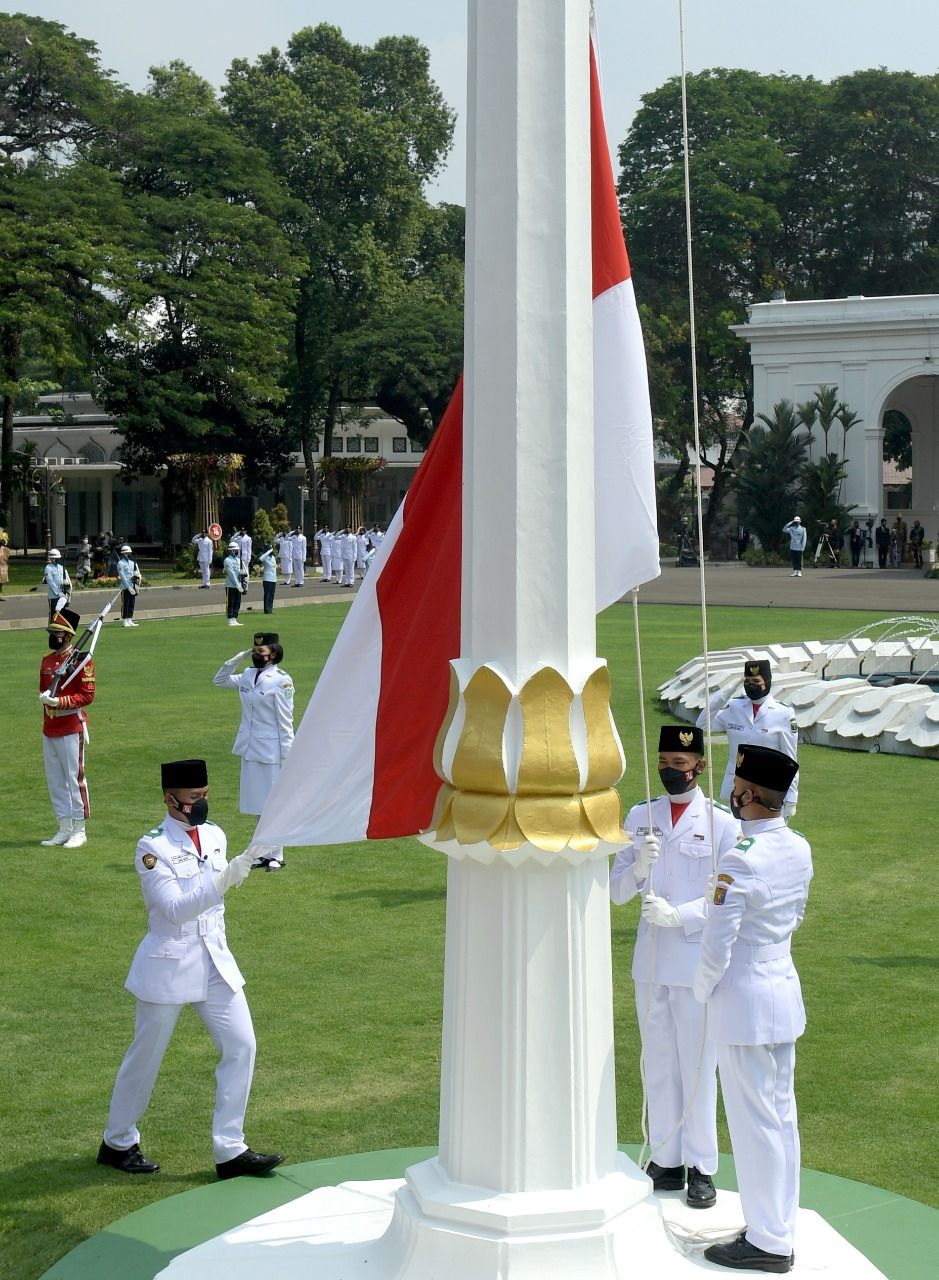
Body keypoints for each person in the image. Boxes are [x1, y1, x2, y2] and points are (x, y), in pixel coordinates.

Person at [97, 758, 284, 1180]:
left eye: (204, 795)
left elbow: (211, 906)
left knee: (243, 1045)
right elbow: (175, 909)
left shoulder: (215, 834)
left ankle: (230, 1150)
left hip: (215, 959)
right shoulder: (152, 848)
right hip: (168, 965)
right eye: (193, 797)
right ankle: (117, 1141)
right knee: (145, 1058)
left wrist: (240, 867)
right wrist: (225, 879)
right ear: (170, 799)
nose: (201, 803)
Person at [610, 725, 739, 1209]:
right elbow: (614, 890)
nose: (671, 770)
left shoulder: (721, 823)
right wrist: (637, 869)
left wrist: (681, 915)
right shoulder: (642, 816)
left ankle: (702, 1166)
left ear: (700, 766)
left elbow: (729, 901)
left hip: (694, 963)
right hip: (650, 962)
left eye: (680, 764)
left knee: (698, 1066)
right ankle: (666, 1158)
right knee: (659, 1062)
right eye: (665, 762)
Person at [694, 745, 811, 1275]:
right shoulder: (798, 848)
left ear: (748, 795)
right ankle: (775, 1224)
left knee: (755, 1124)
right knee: (780, 1120)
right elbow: (797, 914)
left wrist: (700, 990)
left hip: (742, 999)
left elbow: (717, 945)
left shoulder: (740, 858)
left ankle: (768, 1240)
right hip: (781, 989)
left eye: (738, 789)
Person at [213, 634, 295, 871]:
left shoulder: (281, 681)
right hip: (250, 748)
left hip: (271, 751)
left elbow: (285, 720)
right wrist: (235, 659)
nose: (257, 655)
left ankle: (277, 854)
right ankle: (262, 852)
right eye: (254, 651)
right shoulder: (248, 675)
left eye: (261, 652)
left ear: (274, 654)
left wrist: (288, 754)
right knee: (259, 804)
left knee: (272, 804)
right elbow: (219, 680)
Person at [697, 658, 799, 818]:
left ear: (767, 682)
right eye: (747, 681)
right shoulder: (735, 707)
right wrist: (726, 692)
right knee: (735, 839)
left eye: (756, 681)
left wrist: (791, 798)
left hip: (768, 793)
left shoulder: (783, 714)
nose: (751, 685)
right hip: (735, 790)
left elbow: (790, 760)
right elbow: (702, 724)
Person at [39, 606, 95, 848]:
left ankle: (79, 829)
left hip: (71, 726)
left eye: (58, 633)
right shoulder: (47, 661)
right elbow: (44, 689)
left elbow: (87, 696)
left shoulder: (82, 661)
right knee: (55, 780)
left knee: (75, 779)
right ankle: (64, 827)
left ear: (69, 636)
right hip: (49, 727)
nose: (53, 637)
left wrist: (59, 702)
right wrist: (46, 699)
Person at [43, 548, 71, 622]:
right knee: (53, 613)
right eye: (56, 558)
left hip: (62, 595)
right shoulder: (48, 568)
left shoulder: (61, 567)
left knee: (62, 613)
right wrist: (58, 592)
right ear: (52, 559)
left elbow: (66, 579)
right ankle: (52, 628)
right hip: (53, 595)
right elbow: (50, 582)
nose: (57, 559)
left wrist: (66, 592)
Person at [117, 545, 141, 628]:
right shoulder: (120, 563)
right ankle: (124, 620)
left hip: (133, 585)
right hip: (125, 586)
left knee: (131, 603)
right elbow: (122, 576)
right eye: (126, 553)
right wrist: (128, 587)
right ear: (123, 554)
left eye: (129, 553)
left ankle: (129, 619)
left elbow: (135, 573)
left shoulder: (132, 562)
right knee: (125, 604)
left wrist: (136, 585)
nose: (128, 554)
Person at [223, 542, 244, 626]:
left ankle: (234, 618)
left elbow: (240, 572)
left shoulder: (239, 560)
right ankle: (230, 619)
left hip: (238, 584)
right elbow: (231, 573)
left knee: (237, 602)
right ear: (231, 550)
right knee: (230, 602)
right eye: (235, 550)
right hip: (230, 585)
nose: (236, 551)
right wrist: (237, 584)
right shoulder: (227, 560)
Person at [259, 544, 277, 613]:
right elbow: (260, 558)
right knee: (267, 594)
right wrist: (268, 552)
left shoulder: (273, 557)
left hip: (273, 578)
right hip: (267, 578)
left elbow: (274, 566)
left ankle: (270, 608)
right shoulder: (265, 557)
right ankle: (266, 609)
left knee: (272, 594)